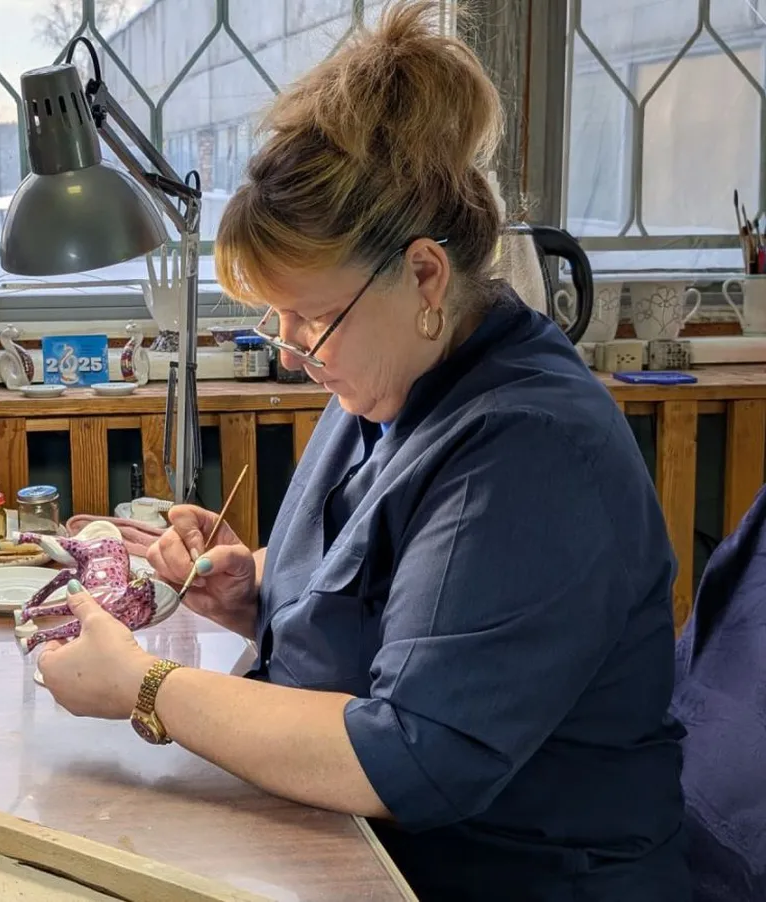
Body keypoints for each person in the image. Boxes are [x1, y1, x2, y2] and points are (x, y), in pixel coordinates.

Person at [35, 2, 689, 899]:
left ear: (424, 275)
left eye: (311, 317)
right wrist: (254, 596)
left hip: (512, 878)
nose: (292, 351)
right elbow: (386, 612)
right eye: (279, 319)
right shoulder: (389, 379)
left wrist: (146, 689)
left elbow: (413, 758)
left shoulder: (530, 449)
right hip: (360, 847)